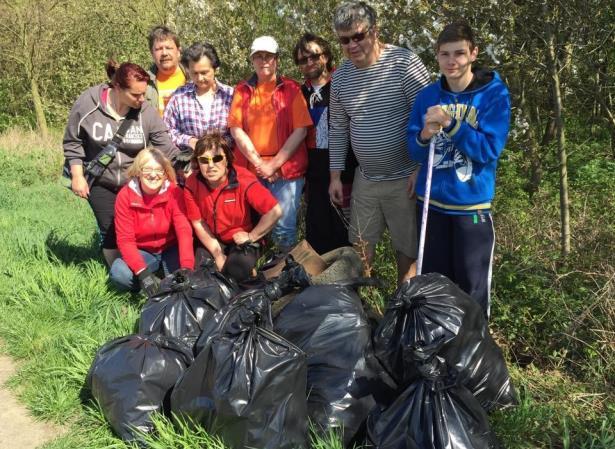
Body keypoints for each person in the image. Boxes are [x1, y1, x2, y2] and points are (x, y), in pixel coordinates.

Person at [407, 20, 511, 318]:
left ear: (473, 54)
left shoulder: (493, 95)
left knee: (471, 290)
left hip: (471, 208)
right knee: (432, 288)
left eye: (459, 53)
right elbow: (414, 150)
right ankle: (436, 351)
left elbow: (488, 150)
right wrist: (424, 135)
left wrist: (452, 125)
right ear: (437, 56)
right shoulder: (427, 96)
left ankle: (473, 354)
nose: (452, 61)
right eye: (444, 54)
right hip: (432, 205)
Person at [328, 1, 430, 284]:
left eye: (358, 36)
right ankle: (358, 315)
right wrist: (335, 176)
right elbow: (337, 128)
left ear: (374, 31)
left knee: (408, 252)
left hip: (406, 178)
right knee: (359, 250)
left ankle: (403, 309)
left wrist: (422, 168)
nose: (352, 45)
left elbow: (430, 119)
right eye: (344, 40)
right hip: (367, 180)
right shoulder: (340, 79)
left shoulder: (404, 64)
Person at [63, 60, 178, 266]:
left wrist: (189, 165)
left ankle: (138, 268)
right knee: (110, 230)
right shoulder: (88, 104)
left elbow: (166, 146)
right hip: (99, 179)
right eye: (136, 95)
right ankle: (118, 275)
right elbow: (73, 141)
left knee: (133, 228)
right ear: (117, 87)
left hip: (132, 180)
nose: (142, 99)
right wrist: (77, 176)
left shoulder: (146, 112)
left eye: (144, 94)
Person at [228, 35, 312, 257]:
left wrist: (273, 165)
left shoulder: (291, 89)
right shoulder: (243, 90)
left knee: (284, 228)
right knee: (253, 223)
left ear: (276, 59)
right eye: (258, 56)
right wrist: (259, 164)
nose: (263, 60)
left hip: (286, 170)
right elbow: (236, 129)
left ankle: (285, 273)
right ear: (252, 60)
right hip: (252, 168)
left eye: (268, 56)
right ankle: (255, 273)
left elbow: (300, 130)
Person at [183, 133, 282, 282]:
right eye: (204, 160)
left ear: (227, 159)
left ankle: (251, 278)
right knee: (202, 272)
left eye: (217, 159)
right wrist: (217, 255)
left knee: (235, 272)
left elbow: (275, 211)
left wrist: (251, 237)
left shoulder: (243, 179)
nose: (210, 166)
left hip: (243, 238)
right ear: (197, 162)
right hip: (214, 238)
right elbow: (198, 222)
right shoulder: (192, 183)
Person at [293, 32, 356, 255]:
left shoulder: (344, 84)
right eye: (303, 59)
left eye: (314, 56)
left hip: (347, 174)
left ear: (326, 56)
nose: (309, 63)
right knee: (317, 240)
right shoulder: (300, 93)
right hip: (314, 177)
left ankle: (349, 288)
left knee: (347, 239)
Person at [110, 148, 194, 295]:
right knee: (119, 272)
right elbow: (125, 240)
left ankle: (163, 279)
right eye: (147, 169)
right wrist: (143, 273)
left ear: (165, 173)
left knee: (186, 276)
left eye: (159, 170)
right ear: (138, 171)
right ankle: (148, 282)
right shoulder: (125, 196)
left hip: (170, 247)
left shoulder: (175, 192)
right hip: (143, 250)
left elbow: (184, 230)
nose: (153, 175)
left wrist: (187, 266)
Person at [164, 42, 234, 152]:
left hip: (223, 162)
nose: (200, 78)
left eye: (204, 72)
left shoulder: (229, 95)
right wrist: (189, 141)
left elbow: (238, 132)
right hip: (189, 162)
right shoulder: (180, 96)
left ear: (214, 68)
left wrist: (219, 144)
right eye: (195, 73)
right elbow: (167, 130)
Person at [145, 25, 187, 116]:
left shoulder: (193, 77)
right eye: (159, 49)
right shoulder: (145, 83)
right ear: (152, 54)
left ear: (178, 51)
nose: (164, 53)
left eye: (168, 48)